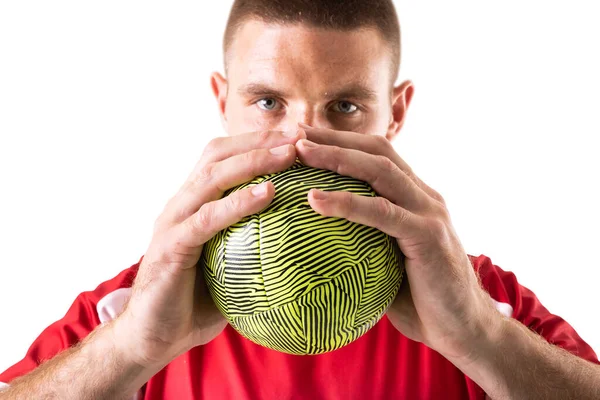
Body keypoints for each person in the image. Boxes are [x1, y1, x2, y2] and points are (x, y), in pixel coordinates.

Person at [1, 0, 599, 398]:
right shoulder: (136, 306)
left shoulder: (478, 302)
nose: (302, 139)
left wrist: (479, 337)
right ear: (223, 100)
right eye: (267, 102)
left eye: (346, 106)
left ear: (396, 112)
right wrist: (133, 348)